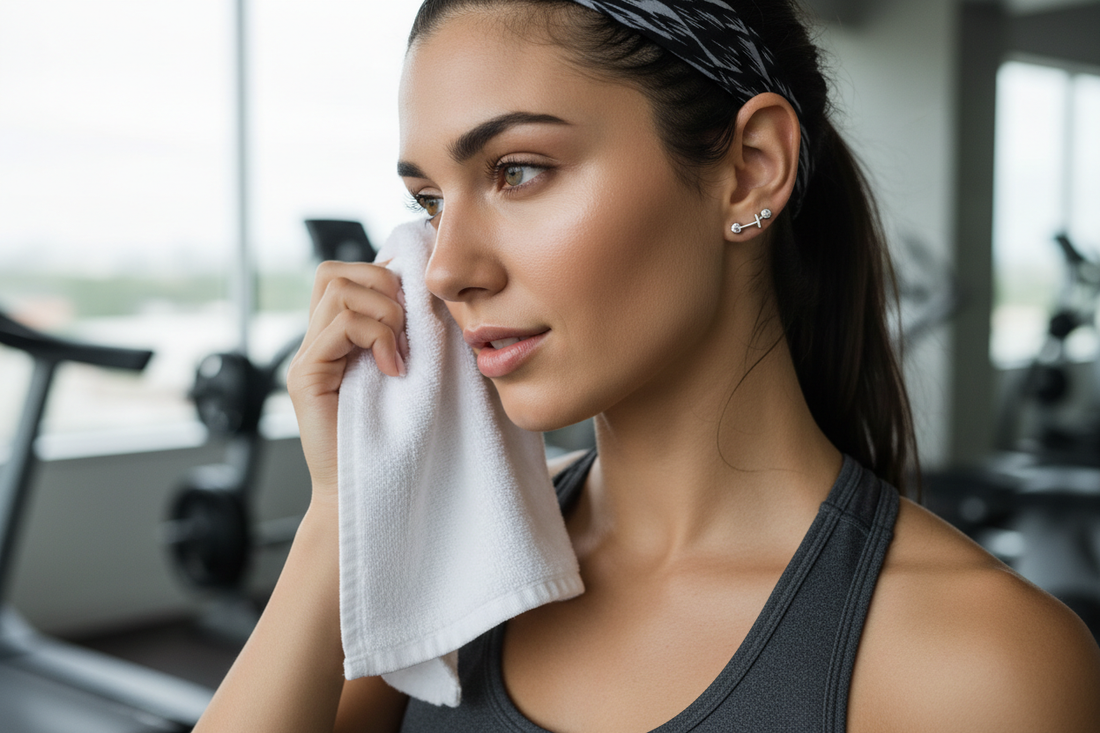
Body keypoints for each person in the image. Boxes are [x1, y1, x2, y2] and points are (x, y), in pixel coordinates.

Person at [194, 1, 1100, 731]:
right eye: (429, 200)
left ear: (749, 169)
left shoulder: (981, 663)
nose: (445, 268)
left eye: (516, 171)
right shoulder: (452, 561)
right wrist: (346, 512)